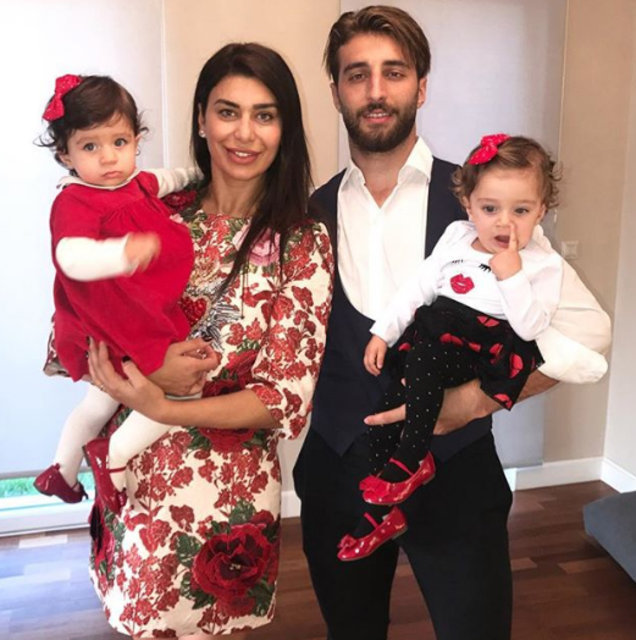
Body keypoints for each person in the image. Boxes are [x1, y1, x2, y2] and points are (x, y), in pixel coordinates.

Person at [292, 6, 611, 640]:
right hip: (340, 470)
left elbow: (585, 334)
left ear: (421, 86)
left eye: (394, 72)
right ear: (335, 91)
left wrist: (472, 402)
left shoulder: (486, 202)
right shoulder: (308, 212)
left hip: (457, 472)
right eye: (357, 74)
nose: (376, 90)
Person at [79, 43, 333, 639]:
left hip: (225, 501)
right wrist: (150, 373)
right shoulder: (152, 212)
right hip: (133, 478)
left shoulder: (302, 240)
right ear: (200, 119)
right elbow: (77, 323)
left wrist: (165, 405)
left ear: (284, 130)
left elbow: (284, 398)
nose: (244, 133)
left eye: (265, 115)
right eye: (227, 111)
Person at [338, 134, 608, 561]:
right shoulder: (456, 237)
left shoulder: (542, 265)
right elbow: (418, 287)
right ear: (469, 205)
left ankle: (411, 459)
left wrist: (511, 275)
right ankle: (382, 515)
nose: (504, 223)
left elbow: (530, 328)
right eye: (490, 208)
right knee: (382, 415)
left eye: (521, 210)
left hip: (478, 349)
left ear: (542, 210)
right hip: (434, 340)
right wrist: (382, 333)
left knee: (425, 355)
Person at [34, 74, 209, 512]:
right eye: (90, 147)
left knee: (99, 401)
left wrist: (200, 173)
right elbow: (70, 256)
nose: (109, 157)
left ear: (136, 140)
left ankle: (61, 469)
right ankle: (113, 457)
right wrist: (122, 253)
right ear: (65, 155)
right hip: (120, 320)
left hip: (122, 318)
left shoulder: (135, 182)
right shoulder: (74, 200)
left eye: (119, 142)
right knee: (185, 391)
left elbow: (170, 178)